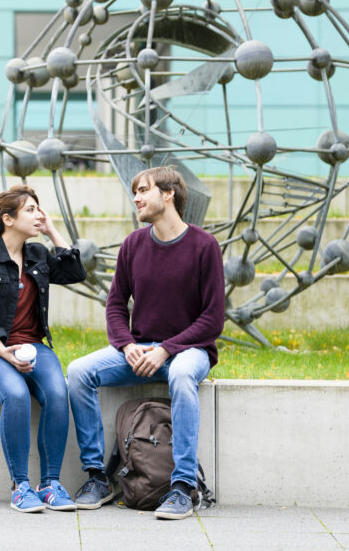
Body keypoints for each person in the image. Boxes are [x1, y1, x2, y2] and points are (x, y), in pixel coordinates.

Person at [67, 166, 225, 520]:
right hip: (139, 350)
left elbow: (213, 319)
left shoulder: (204, 246)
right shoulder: (133, 245)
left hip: (188, 351)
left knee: (183, 377)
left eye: (143, 190)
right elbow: (115, 306)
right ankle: (97, 477)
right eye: (134, 191)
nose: (135, 197)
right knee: (78, 372)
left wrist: (166, 348)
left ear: (168, 194)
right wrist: (126, 345)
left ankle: (183, 486)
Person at [0, 186, 86, 513]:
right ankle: (20, 486)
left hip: (33, 348)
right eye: (31, 210)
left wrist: (52, 231)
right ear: (8, 219)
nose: (39, 215)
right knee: (17, 395)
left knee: (56, 393)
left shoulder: (38, 254)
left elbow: (74, 272)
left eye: (40, 209)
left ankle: (50, 484)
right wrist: (3, 351)